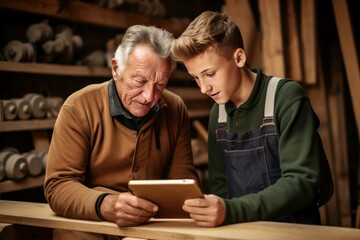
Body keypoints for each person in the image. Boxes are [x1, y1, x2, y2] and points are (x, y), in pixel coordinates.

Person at [171, 11, 333, 227]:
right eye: (195, 78)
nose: (203, 88)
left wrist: (231, 211)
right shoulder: (217, 115)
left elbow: (302, 183)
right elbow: (221, 187)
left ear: (239, 57)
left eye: (209, 74)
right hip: (242, 231)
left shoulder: (285, 97)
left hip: (293, 231)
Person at [44, 25, 199, 239]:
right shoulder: (79, 107)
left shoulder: (175, 107)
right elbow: (58, 187)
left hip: (150, 223)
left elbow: (183, 179)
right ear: (116, 69)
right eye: (140, 81)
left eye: (160, 85)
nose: (149, 96)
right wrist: (105, 204)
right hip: (89, 223)